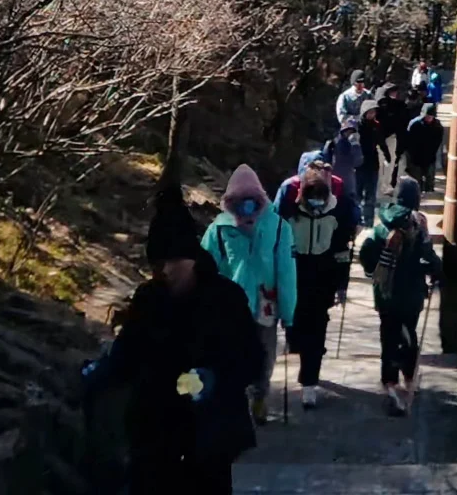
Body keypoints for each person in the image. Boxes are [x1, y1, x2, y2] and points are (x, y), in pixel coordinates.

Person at [83, 185, 262, 495]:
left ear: (191, 258)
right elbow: (129, 352)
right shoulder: (148, 298)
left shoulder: (226, 299)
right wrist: (103, 370)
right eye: (156, 264)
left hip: (208, 436)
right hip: (154, 432)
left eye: (170, 262)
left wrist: (214, 378)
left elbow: (251, 359)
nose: (163, 271)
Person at [201, 165, 296, 425]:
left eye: (251, 200)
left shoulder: (278, 229)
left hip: (266, 304)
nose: (247, 206)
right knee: (232, 354)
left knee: (264, 354)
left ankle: (259, 396)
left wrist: (288, 313)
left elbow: (286, 273)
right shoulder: (218, 230)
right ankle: (237, 399)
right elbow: (205, 269)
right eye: (240, 200)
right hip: (229, 308)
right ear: (230, 201)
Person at [275, 158, 360, 408]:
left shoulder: (339, 209)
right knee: (296, 329)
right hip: (294, 275)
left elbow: (343, 249)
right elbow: (277, 245)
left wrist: (342, 284)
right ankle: (301, 349)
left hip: (323, 278)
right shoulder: (289, 211)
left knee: (317, 329)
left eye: (321, 200)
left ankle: (309, 382)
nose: (316, 205)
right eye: (312, 199)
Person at [359, 176, 442, 417]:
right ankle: (408, 377)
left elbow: (367, 252)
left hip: (385, 293)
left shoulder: (381, 225)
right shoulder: (418, 224)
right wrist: (435, 270)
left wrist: (372, 270)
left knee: (388, 334)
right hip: (411, 293)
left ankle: (389, 382)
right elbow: (426, 255)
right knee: (408, 334)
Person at [403, 102, 445, 194]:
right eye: (427, 116)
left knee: (430, 180)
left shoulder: (438, 126)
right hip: (415, 157)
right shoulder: (414, 124)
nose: (428, 118)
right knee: (416, 182)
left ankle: (429, 193)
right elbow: (408, 141)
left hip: (430, 156)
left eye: (431, 116)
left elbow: (438, 142)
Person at [376, 83, 411, 187]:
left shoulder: (399, 106)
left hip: (392, 137)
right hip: (379, 138)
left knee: (390, 163)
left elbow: (402, 124)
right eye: (392, 91)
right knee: (380, 163)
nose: (395, 94)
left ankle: (386, 186)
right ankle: (381, 186)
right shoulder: (378, 107)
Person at [357, 97, 385, 226]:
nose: (372, 114)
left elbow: (381, 141)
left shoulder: (377, 125)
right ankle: (356, 219)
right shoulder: (357, 126)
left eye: (374, 112)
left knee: (370, 195)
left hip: (372, 164)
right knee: (357, 194)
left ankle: (368, 221)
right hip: (358, 165)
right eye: (370, 112)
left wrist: (387, 154)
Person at [323, 115, 364, 190]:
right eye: (347, 131)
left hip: (349, 177)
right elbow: (326, 161)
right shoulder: (333, 143)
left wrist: (355, 146)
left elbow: (358, 162)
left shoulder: (355, 144)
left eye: (352, 132)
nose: (349, 133)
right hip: (335, 176)